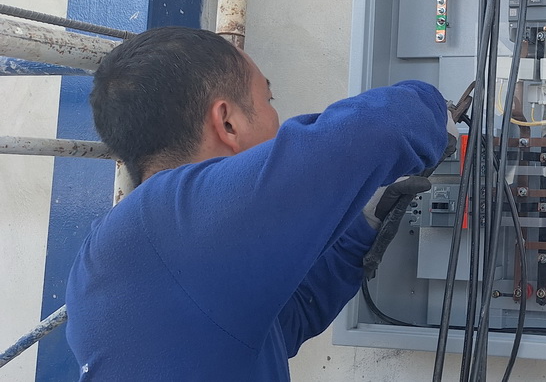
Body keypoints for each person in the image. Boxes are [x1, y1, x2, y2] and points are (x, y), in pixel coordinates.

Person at [65, 26, 452, 380]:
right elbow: (385, 127)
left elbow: (286, 324)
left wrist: (362, 224)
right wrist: (436, 109)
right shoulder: (167, 217)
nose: (276, 118)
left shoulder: (126, 253)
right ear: (228, 123)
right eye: (267, 98)